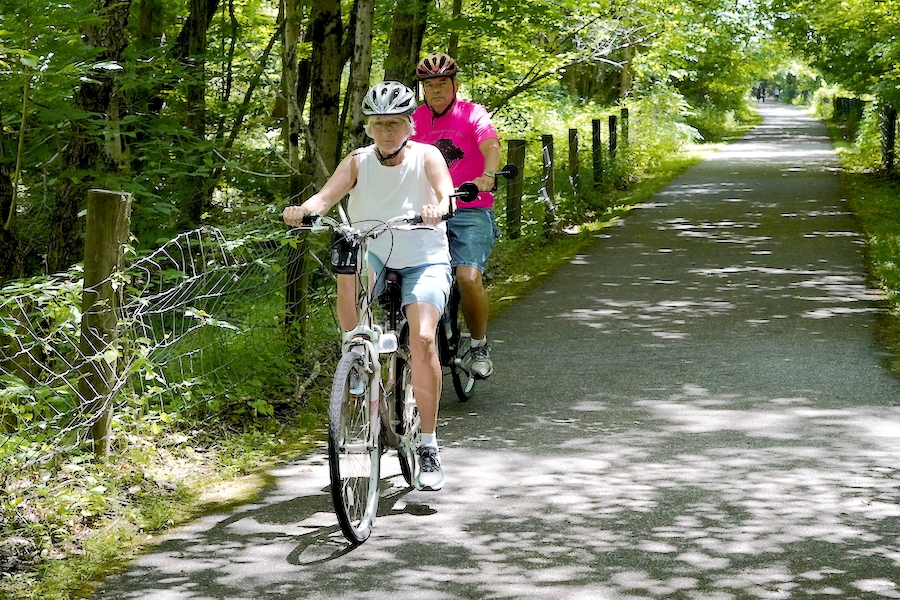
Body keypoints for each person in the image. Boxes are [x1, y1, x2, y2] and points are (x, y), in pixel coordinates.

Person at [282, 81, 454, 491]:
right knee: (347, 264)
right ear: (369, 127)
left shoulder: (427, 156)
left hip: (424, 256)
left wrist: (439, 208)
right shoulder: (358, 161)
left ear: (409, 124)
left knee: (423, 339)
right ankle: (357, 355)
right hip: (375, 251)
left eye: (394, 123)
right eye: (378, 124)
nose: (386, 132)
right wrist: (304, 211)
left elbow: (447, 194)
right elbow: (324, 198)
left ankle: (428, 445)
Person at [412, 52, 502, 380]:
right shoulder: (414, 119)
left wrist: (487, 175)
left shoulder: (472, 113)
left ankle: (478, 345)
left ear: (455, 85)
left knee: (467, 276)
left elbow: (491, 145)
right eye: (429, 85)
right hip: (428, 211)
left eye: (442, 83)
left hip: (469, 208)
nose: (436, 90)